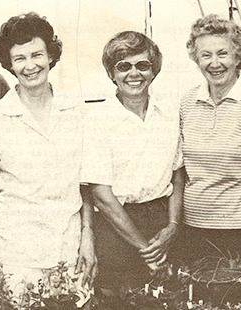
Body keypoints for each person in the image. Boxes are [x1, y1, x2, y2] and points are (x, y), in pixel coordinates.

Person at [0, 12, 96, 308]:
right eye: (19, 58)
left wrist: (88, 237)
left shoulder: (77, 110)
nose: (30, 65)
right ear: (9, 64)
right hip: (17, 256)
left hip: (69, 248)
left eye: (37, 54)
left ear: (51, 56)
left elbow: (85, 183)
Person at [81, 31, 185, 303]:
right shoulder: (97, 120)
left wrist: (173, 225)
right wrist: (145, 251)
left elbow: (177, 173)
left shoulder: (169, 115)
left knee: (167, 300)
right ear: (112, 74)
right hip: (117, 228)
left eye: (142, 65)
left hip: (163, 223)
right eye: (123, 66)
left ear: (154, 70)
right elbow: (101, 195)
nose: (133, 74)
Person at [179, 15, 241, 265]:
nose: (215, 63)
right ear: (196, 59)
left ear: (237, 57)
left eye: (222, 53)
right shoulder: (187, 103)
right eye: (206, 55)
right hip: (193, 230)